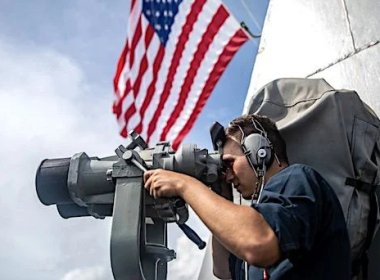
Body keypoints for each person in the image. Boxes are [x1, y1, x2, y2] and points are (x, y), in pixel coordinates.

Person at [144, 114, 351, 279]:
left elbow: (257, 244)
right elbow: (223, 270)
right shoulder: (260, 213)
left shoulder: (296, 178)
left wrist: (185, 185)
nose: (227, 175)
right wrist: (221, 197)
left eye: (229, 163)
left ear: (260, 151)